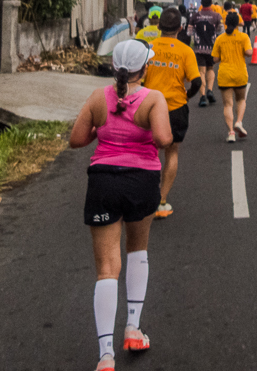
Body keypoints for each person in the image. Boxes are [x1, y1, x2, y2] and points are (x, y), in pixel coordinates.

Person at [70, 39, 172, 371]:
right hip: (141, 181)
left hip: (102, 180)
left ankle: (105, 356)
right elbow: (163, 139)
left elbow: (76, 139)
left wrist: (105, 134)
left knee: (106, 269)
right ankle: (132, 328)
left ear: (114, 67)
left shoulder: (99, 98)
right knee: (137, 250)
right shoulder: (153, 98)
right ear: (147, 67)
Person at [144, 7, 202, 219]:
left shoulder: (147, 48)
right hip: (176, 108)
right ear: (180, 27)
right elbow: (197, 82)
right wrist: (186, 96)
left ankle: (143, 196)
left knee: (147, 152)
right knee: (172, 152)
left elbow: (137, 79)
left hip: (148, 107)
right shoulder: (186, 51)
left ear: (158, 26)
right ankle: (161, 201)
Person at [211, 11, 253, 142]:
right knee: (241, 100)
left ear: (226, 23)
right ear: (237, 24)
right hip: (240, 74)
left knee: (227, 105)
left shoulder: (220, 39)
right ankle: (239, 122)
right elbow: (249, 52)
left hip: (225, 75)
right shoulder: (244, 37)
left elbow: (215, 59)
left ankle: (230, 133)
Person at [190, 0, 222, 106]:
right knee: (210, 69)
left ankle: (202, 97)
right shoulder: (217, 16)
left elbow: (189, 32)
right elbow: (220, 32)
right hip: (212, 47)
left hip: (199, 48)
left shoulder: (195, 16)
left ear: (201, 3)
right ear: (211, 3)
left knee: (201, 72)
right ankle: (210, 90)